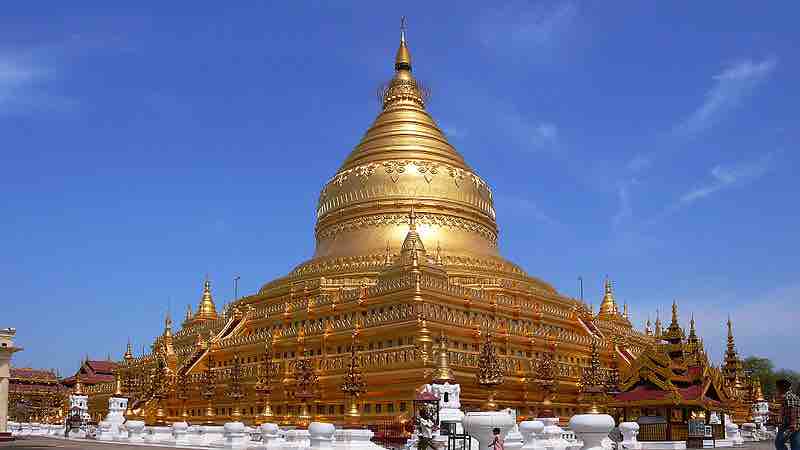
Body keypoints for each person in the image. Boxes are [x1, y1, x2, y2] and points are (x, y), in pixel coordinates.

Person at [775, 378, 800, 450]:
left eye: (777, 387)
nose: (777, 390)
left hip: (790, 425)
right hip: (796, 425)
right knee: (795, 445)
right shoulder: (794, 396)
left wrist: (792, 425)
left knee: (779, 442)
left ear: (781, 388)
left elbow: (793, 410)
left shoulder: (788, 397)